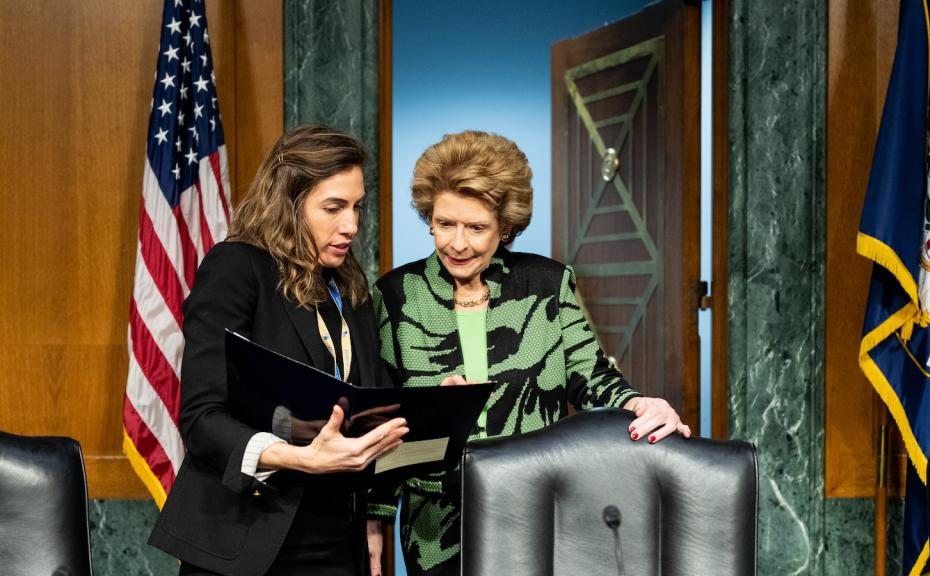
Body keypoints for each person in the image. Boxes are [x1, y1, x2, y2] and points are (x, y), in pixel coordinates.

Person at [366, 130, 691, 576]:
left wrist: (640, 403)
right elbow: (380, 419)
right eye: (444, 224)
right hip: (434, 528)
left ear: (506, 227)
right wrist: (376, 519)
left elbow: (590, 375)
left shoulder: (546, 284)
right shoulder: (396, 296)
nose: (457, 244)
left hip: (538, 511)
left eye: (476, 228)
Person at [149, 124, 409, 576]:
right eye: (333, 208)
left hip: (336, 542)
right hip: (244, 539)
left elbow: (370, 402)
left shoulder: (350, 289)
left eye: (356, 208)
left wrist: (435, 404)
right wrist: (302, 458)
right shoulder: (237, 268)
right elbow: (202, 420)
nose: (350, 225)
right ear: (289, 203)